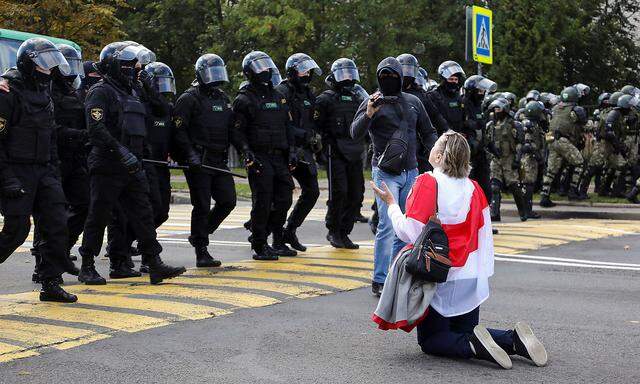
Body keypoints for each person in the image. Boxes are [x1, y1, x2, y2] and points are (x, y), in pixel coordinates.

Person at [372, 131, 548, 369]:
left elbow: (409, 232)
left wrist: (392, 205)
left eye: (436, 145)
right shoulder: (475, 188)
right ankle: (514, 340)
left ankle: (475, 348)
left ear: (441, 155)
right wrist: (480, 274)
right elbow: (485, 238)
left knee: (431, 341)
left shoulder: (428, 182)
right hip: (470, 276)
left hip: (438, 276)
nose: (431, 148)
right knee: (465, 330)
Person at [79, 41, 186, 285]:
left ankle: (154, 262)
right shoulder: (101, 92)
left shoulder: (134, 92)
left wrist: (149, 88)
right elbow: (96, 129)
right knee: (98, 215)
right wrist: (120, 152)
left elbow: (156, 117)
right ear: (117, 66)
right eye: (131, 65)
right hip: (107, 164)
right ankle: (87, 265)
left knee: (143, 214)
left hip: (134, 165)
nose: (138, 68)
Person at [351, 56, 437, 296]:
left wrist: (437, 158)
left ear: (401, 78)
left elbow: (428, 132)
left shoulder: (413, 102)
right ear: (378, 78)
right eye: (384, 76)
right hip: (385, 173)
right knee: (387, 226)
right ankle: (379, 280)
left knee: (406, 226)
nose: (388, 80)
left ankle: (396, 274)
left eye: (393, 76)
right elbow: (354, 133)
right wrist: (368, 114)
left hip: (411, 171)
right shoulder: (372, 101)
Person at [0, 38, 78, 302]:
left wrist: (54, 170)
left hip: (44, 169)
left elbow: (50, 135)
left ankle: (51, 282)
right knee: (17, 230)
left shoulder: (46, 93)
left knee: (57, 224)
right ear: (29, 63)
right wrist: (7, 179)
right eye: (44, 65)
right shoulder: (7, 92)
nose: (48, 71)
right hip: (16, 171)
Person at [173, 53, 242, 266]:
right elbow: (178, 131)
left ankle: (199, 235)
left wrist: (245, 150)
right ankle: (201, 249)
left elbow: (232, 130)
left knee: (228, 201)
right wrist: (190, 155)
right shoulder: (188, 99)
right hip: (199, 160)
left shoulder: (222, 98)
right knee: (202, 205)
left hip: (218, 159)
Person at [233, 51, 297, 261]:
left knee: (285, 198)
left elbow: (287, 127)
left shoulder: (278, 96)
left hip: (279, 156)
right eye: (259, 68)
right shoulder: (244, 99)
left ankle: (275, 239)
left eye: (266, 66)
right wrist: (246, 151)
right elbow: (237, 131)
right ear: (249, 72)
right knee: (262, 201)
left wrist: (292, 152)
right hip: (259, 157)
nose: (265, 71)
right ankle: (260, 244)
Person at [316, 58, 366, 249]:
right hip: (334, 152)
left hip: (354, 151)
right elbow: (316, 128)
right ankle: (334, 231)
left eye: (350, 73)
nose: (347, 78)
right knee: (340, 193)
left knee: (356, 194)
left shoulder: (357, 98)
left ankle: (345, 231)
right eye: (343, 74)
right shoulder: (325, 99)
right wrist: (319, 151)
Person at [275, 53, 323, 253]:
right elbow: (280, 123)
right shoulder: (282, 91)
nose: (307, 74)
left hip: (303, 150)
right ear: (292, 71)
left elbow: (313, 120)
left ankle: (290, 230)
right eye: (303, 70)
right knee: (281, 195)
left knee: (312, 192)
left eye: (309, 70)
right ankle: (271, 236)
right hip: (284, 149)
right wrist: (302, 135)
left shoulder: (309, 94)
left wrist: (315, 137)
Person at [396, 54, 449, 173]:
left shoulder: (421, 94)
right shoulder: (389, 90)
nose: (407, 73)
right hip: (394, 145)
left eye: (409, 69)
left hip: (418, 146)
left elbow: (436, 116)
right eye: (404, 69)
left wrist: (448, 132)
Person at [539, 86, 587, 207]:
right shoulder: (575, 109)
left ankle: (544, 196)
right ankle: (572, 190)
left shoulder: (555, 108)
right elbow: (583, 123)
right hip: (564, 141)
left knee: (551, 170)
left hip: (551, 139)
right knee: (580, 163)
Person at [486, 97, 528, 221]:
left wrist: (517, 159)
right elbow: (487, 141)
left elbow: (520, 143)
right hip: (496, 159)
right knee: (494, 186)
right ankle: (495, 214)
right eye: (495, 109)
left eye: (499, 108)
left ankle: (523, 212)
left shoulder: (514, 124)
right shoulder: (491, 125)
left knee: (514, 186)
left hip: (509, 158)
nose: (496, 111)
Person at [463, 74, 498, 200]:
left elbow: (483, 131)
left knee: (485, 190)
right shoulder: (463, 104)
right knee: (468, 188)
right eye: (480, 90)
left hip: (480, 153)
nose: (482, 93)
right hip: (467, 154)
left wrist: (491, 146)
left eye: (484, 90)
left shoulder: (480, 107)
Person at [427, 60, 466, 135]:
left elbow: (463, 118)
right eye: (451, 79)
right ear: (444, 80)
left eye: (456, 79)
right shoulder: (433, 96)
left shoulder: (459, 97)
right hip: (440, 138)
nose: (454, 82)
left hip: (456, 137)